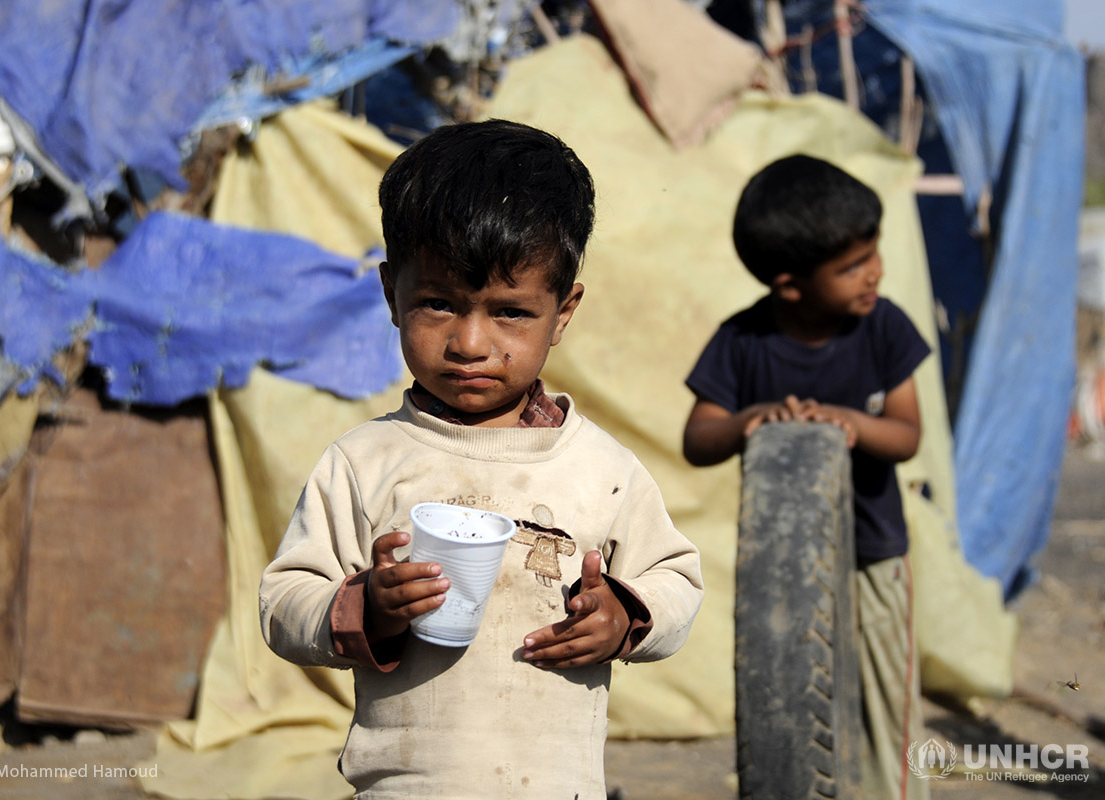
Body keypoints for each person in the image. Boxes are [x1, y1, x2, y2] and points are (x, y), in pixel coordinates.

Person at [260, 119, 704, 800]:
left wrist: (623, 616)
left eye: (510, 313)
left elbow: (675, 579)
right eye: (438, 304)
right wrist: (369, 609)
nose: (470, 342)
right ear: (391, 294)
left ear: (562, 312)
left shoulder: (599, 469)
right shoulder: (364, 462)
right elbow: (285, 603)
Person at [681, 154, 930, 800]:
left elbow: (906, 434)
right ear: (790, 284)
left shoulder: (883, 328)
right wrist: (751, 419)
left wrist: (847, 423)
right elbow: (698, 438)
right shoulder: (743, 341)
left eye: (873, 253)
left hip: (874, 560)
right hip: (781, 576)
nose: (874, 272)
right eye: (852, 266)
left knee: (884, 711)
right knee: (786, 712)